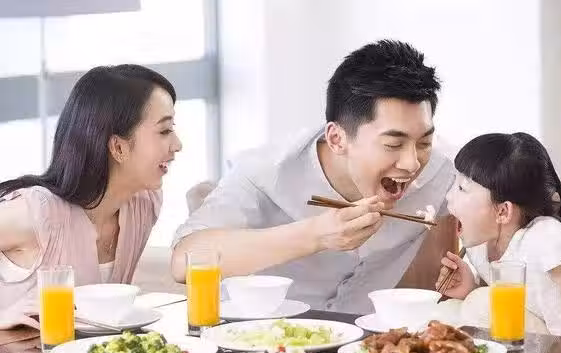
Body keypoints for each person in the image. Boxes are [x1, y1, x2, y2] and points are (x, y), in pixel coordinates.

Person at [172, 40, 458, 313]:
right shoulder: (263, 173)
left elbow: (479, 217)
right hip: (261, 334)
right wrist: (315, 235)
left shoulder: (443, 172)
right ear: (337, 139)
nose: (412, 162)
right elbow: (183, 262)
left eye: (424, 142)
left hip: (366, 338)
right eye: (393, 144)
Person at [0, 65, 182, 330]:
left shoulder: (144, 204)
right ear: (118, 147)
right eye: (164, 131)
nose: (178, 144)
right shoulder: (37, 213)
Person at [438, 132, 561, 341]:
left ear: (503, 211)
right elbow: (521, 306)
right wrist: (470, 288)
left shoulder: (545, 238)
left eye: (462, 188)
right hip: (548, 342)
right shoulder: (479, 247)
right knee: (456, 309)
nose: (448, 196)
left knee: (478, 303)